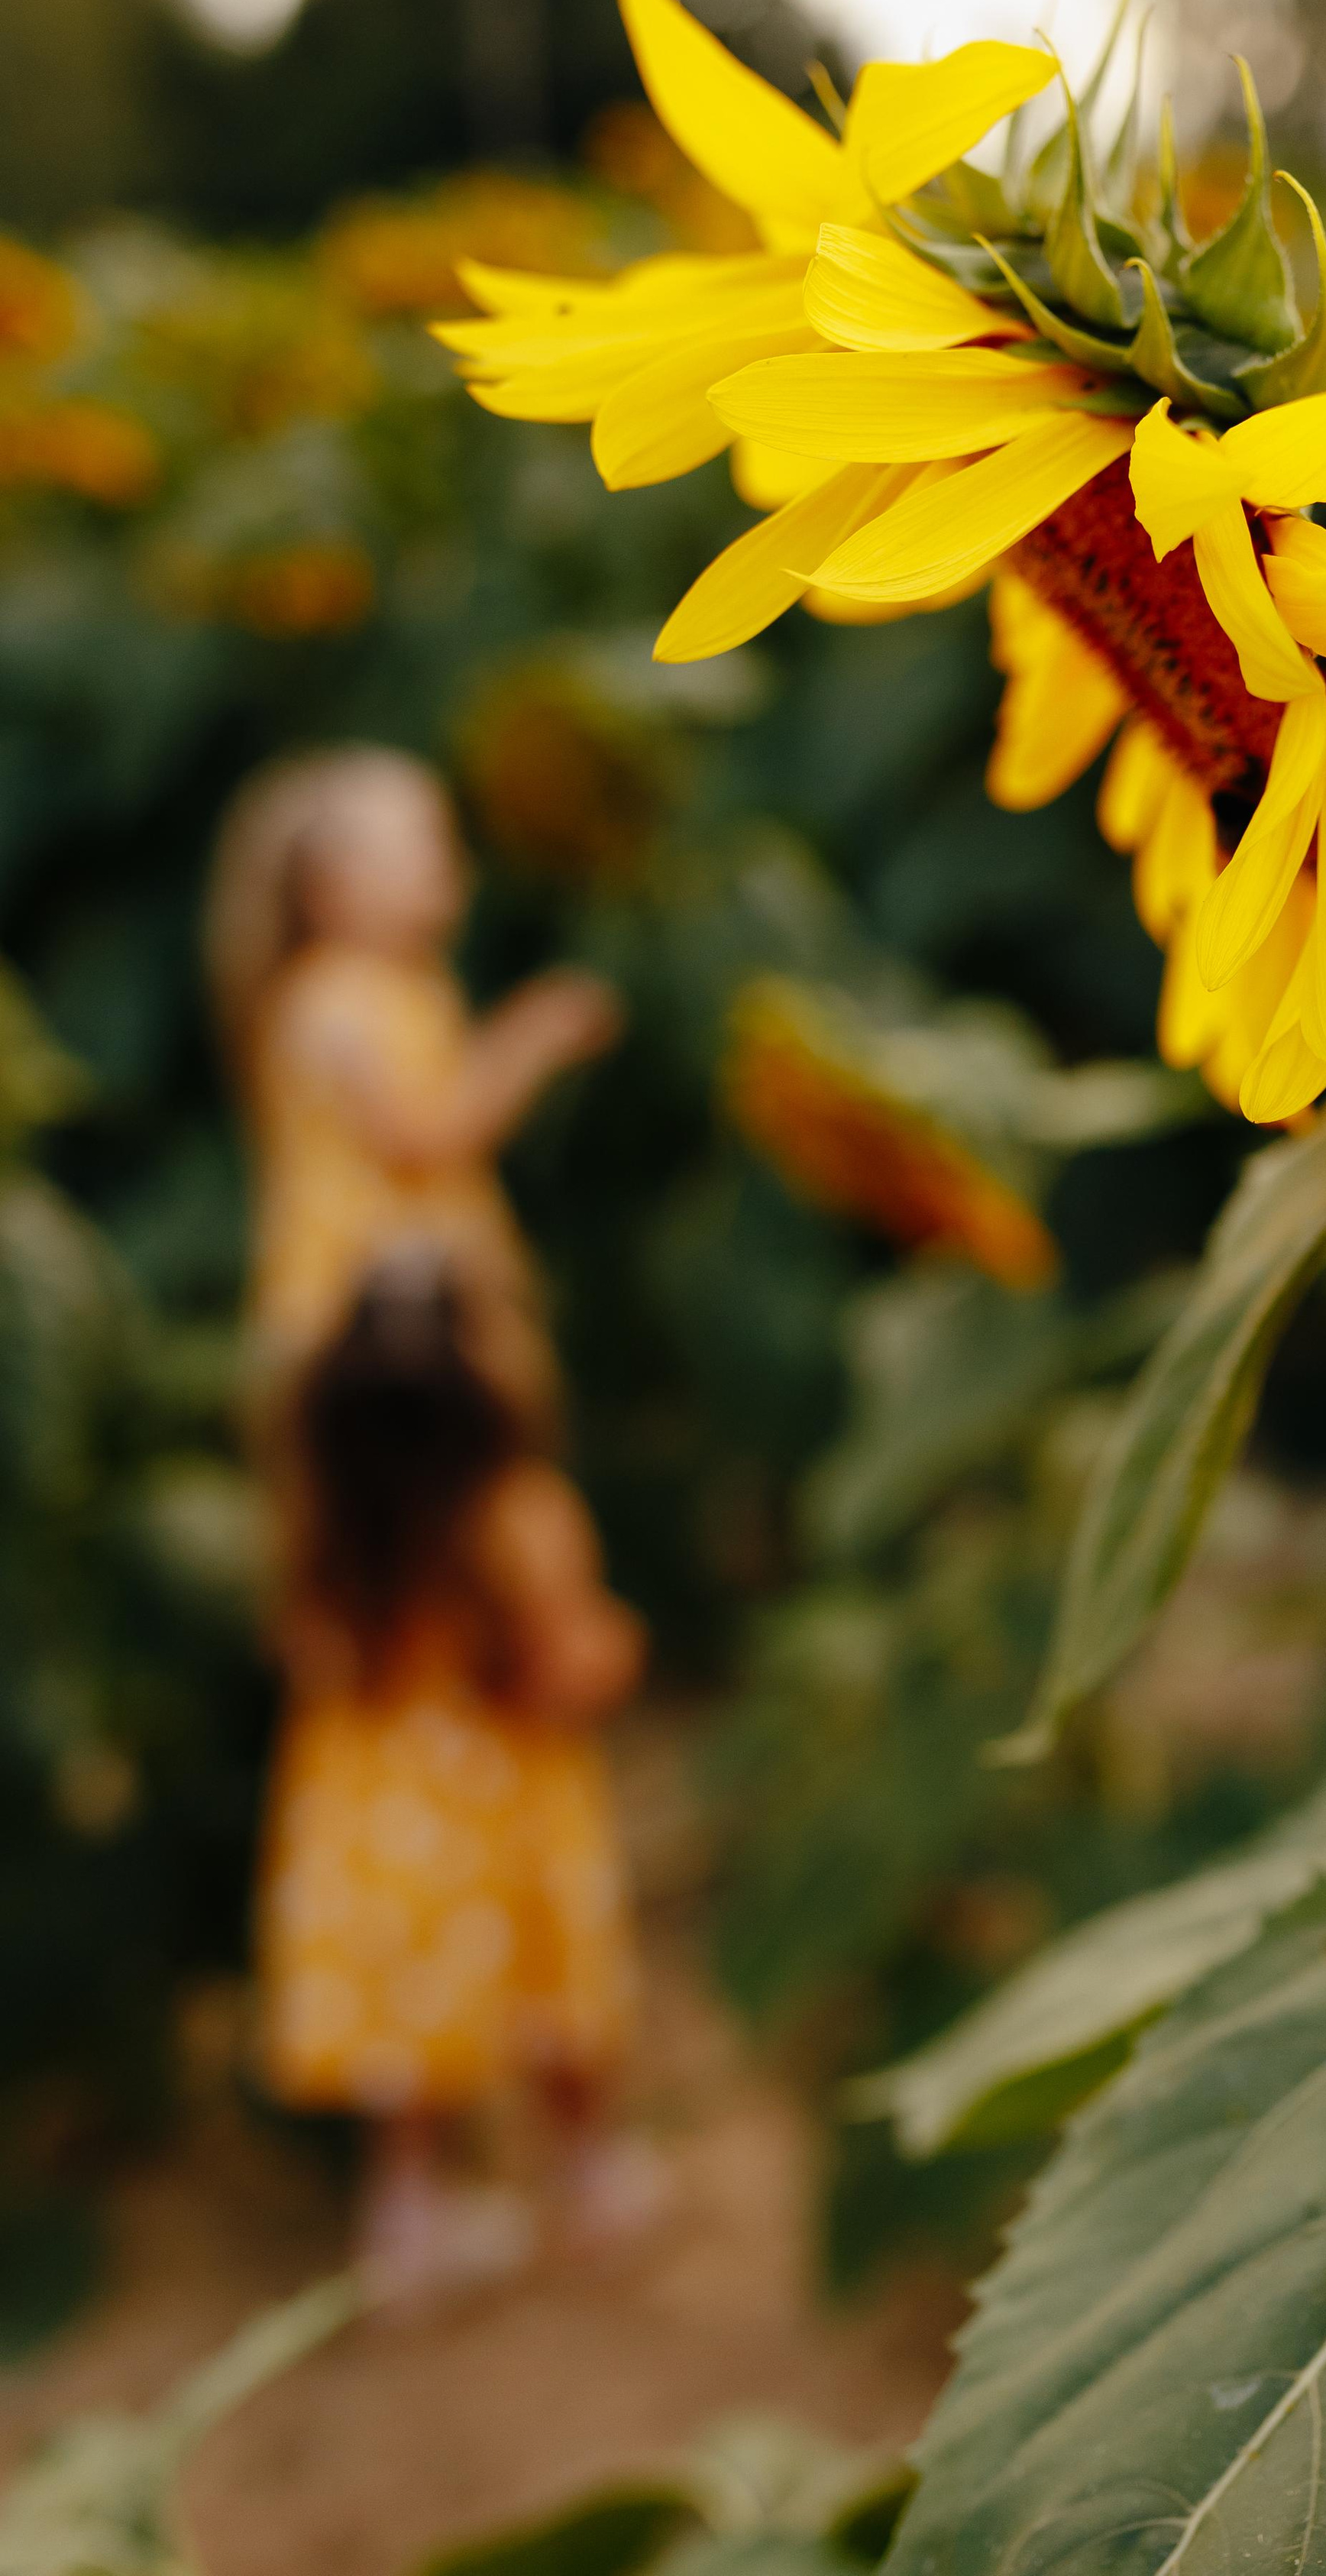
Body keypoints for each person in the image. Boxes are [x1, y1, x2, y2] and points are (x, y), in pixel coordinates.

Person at [257, 1244, 661, 2303]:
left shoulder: (327, 1526)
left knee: (408, 2026)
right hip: (508, 1813)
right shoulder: (518, 1515)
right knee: (553, 2003)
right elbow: (566, 1667)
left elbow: (310, 1652)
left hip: (376, 1823)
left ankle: (409, 2214)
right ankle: (588, 2173)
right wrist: (621, 1648)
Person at [204, 746, 619, 1425]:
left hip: (414, 1306)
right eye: (421, 845)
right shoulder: (333, 1001)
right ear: (327, 884)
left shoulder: (410, 989)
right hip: (362, 1317)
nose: (447, 866)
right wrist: (528, 1040)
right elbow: (419, 1138)